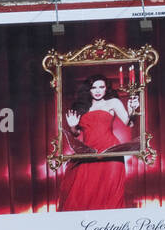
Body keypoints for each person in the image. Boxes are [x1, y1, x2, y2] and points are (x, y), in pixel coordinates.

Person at [58, 76, 140, 211]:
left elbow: (129, 123)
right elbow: (76, 134)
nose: (98, 91)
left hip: (111, 152)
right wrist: (72, 126)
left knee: (110, 192)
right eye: (94, 87)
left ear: (106, 88)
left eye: (101, 87)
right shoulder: (82, 106)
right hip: (88, 153)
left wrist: (132, 110)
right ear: (88, 90)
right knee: (84, 193)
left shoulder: (113, 102)